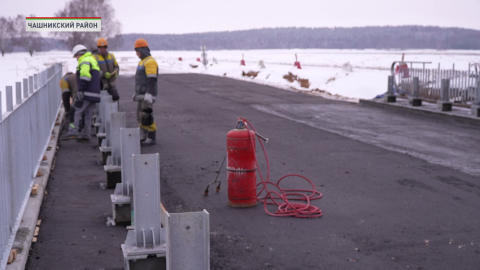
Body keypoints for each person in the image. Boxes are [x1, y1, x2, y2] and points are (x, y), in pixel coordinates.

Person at [64, 44, 101, 142]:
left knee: (75, 110)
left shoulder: (84, 60)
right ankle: (86, 134)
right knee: (88, 115)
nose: (76, 58)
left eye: (76, 56)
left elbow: (85, 76)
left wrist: (80, 90)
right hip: (94, 94)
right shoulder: (92, 60)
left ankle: (73, 132)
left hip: (87, 93)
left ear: (79, 54)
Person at [133, 38, 158, 146]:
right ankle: (143, 136)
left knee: (147, 115)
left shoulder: (150, 62)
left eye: (137, 50)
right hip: (141, 94)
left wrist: (149, 94)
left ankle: (151, 137)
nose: (136, 53)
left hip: (147, 94)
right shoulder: (142, 61)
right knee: (140, 115)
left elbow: (151, 79)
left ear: (142, 50)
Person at [59, 72, 85, 139]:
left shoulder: (64, 80)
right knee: (84, 111)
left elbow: (65, 96)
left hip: (78, 95)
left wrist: (67, 110)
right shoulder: (75, 77)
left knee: (73, 113)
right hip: (87, 94)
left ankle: (73, 131)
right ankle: (83, 129)